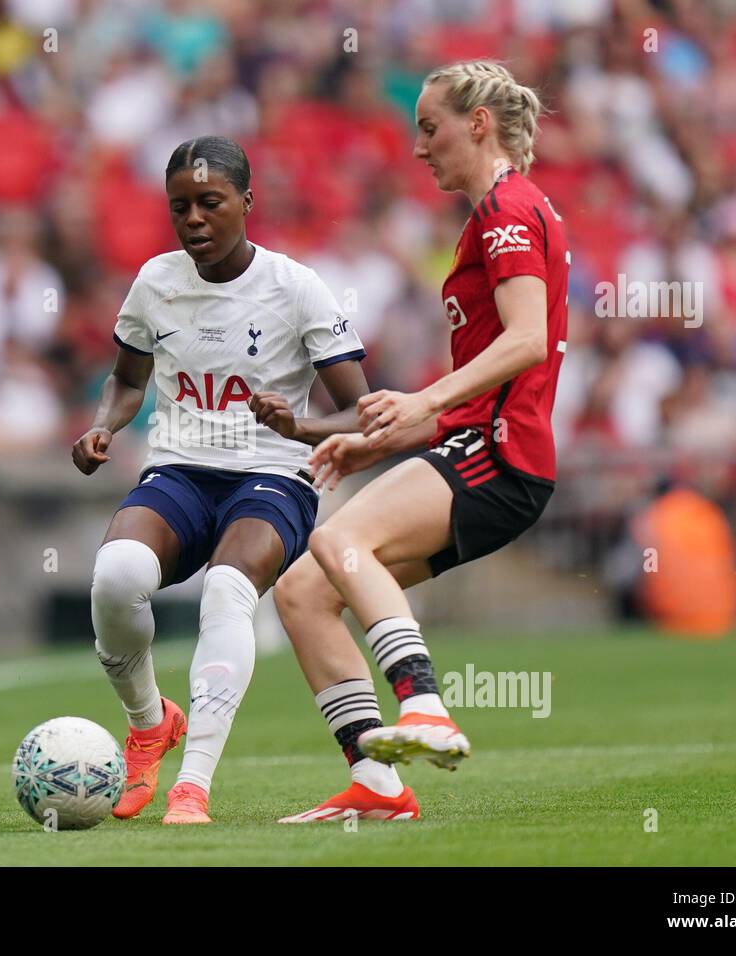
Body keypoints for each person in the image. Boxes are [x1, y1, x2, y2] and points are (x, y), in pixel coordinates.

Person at [273, 61, 569, 823]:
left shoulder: (507, 209)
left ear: (477, 124)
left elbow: (529, 340)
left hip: (500, 456)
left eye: (429, 127)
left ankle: (426, 707)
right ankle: (377, 786)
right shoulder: (497, 214)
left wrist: (426, 398)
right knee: (303, 592)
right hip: (484, 446)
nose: (418, 148)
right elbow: (495, 373)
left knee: (340, 541)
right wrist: (381, 441)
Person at [72, 135, 370, 824]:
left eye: (211, 203)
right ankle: (149, 722)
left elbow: (359, 406)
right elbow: (126, 378)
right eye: (181, 207)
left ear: (247, 202)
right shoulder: (156, 282)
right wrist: (105, 426)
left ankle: (193, 785)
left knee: (228, 589)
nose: (195, 220)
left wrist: (299, 429)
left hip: (272, 475)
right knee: (116, 576)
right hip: (179, 470)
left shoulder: (295, 288)